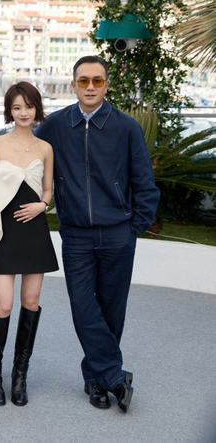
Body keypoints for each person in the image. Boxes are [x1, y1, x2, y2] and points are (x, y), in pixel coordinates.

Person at [36, 56, 160, 413]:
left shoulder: (126, 127)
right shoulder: (56, 125)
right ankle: (114, 376)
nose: (90, 87)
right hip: (76, 234)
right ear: (73, 84)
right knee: (83, 306)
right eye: (83, 81)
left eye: (97, 81)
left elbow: (144, 182)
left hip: (119, 233)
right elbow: (26, 151)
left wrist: (134, 226)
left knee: (112, 309)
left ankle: (97, 380)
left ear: (107, 85)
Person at [0, 81, 58, 407]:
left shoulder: (45, 148)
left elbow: (48, 191)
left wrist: (43, 205)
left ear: (37, 109)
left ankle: (20, 375)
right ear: (9, 111)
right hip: (2, 230)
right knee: (5, 304)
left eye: (29, 106)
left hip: (34, 230)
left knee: (32, 300)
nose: (24, 112)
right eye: (17, 107)